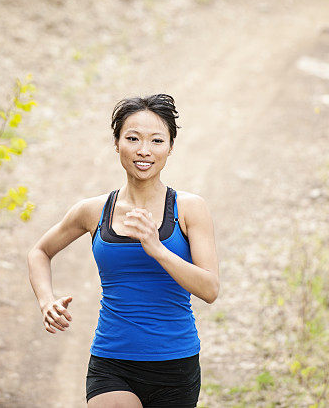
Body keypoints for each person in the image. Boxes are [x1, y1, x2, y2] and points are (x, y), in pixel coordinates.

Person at [27, 93, 219, 407]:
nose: (144, 151)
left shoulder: (189, 209)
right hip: (111, 361)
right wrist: (46, 301)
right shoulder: (93, 211)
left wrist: (156, 248)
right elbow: (39, 252)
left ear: (170, 147)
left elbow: (210, 289)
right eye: (132, 138)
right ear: (117, 143)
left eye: (157, 140)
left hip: (175, 364)